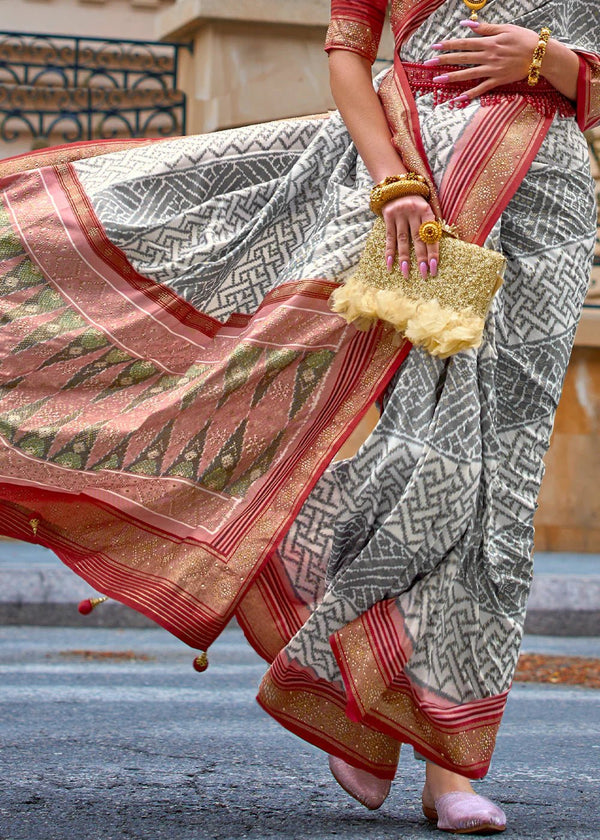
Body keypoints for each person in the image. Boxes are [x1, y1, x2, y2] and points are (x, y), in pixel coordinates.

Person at [0, 0, 598, 834]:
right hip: (427, 199)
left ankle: (442, 764)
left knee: (505, 485)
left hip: (552, 203)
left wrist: (553, 63)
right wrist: (394, 182)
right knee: (436, 460)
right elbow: (347, 51)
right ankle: (352, 667)